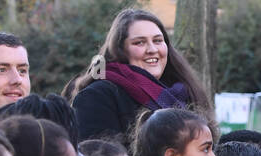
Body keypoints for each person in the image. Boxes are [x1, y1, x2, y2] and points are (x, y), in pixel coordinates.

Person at [69, 9, 211, 144]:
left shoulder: (185, 92)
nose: (152, 50)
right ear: (120, 50)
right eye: (139, 42)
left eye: (157, 40)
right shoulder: (97, 96)